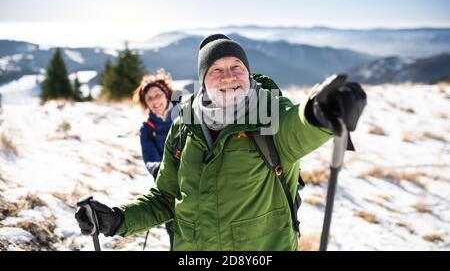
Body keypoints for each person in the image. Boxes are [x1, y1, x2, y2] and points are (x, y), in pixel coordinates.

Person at [75, 34, 367, 251]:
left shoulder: (271, 115)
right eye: (216, 70)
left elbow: (300, 126)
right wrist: (117, 219)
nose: (228, 77)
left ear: (248, 72)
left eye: (237, 67)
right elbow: (166, 198)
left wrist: (322, 110)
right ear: (204, 80)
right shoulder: (184, 128)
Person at [131, 69, 177, 250]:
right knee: (176, 232)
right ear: (145, 103)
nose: (155, 101)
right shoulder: (147, 128)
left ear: (166, 94)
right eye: (149, 98)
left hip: (196, 181)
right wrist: (159, 169)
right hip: (169, 187)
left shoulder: (185, 116)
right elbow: (149, 159)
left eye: (158, 94)